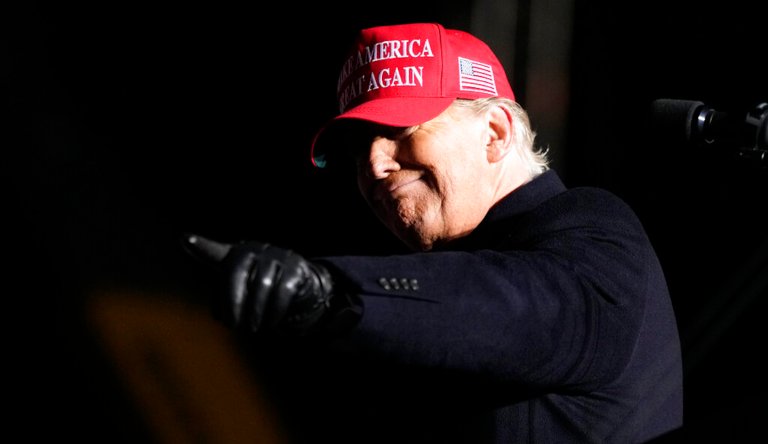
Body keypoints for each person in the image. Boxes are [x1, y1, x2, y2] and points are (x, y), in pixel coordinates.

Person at [182, 22, 683, 444]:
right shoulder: (426, 300)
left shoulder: (593, 229)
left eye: (399, 130)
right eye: (358, 150)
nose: (373, 165)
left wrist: (330, 292)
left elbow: (516, 308)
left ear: (496, 134)